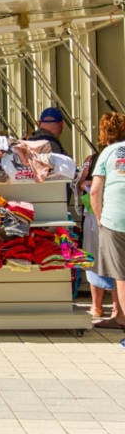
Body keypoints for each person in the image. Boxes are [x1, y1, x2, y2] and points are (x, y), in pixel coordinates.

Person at [88, 112, 125, 331]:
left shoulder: (107, 153)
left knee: (121, 275)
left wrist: (100, 218)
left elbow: (94, 191)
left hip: (115, 220)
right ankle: (119, 316)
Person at [76, 151, 115, 319]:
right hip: (115, 215)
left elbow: (81, 184)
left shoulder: (94, 158)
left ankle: (97, 306)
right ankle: (117, 308)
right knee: (118, 262)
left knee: (94, 258)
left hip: (95, 216)